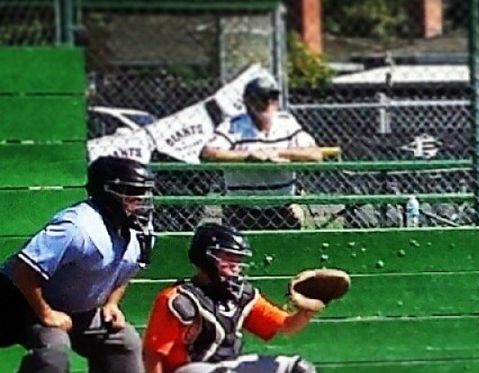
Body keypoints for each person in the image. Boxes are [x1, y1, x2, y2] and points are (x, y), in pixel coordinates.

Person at [0, 156, 155, 373]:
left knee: (124, 342)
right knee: (54, 349)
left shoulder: (139, 230)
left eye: (143, 192)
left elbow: (125, 268)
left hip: (80, 309)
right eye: (132, 192)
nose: (140, 200)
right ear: (106, 192)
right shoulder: (77, 228)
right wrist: (47, 313)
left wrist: (111, 303)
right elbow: (24, 269)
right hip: (26, 303)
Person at [142, 223, 318, 373]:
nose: (235, 265)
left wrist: (307, 311)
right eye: (228, 257)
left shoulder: (241, 295)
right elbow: (152, 355)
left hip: (226, 366)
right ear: (205, 257)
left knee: (299, 369)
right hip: (187, 369)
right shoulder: (178, 299)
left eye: (238, 259)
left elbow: (286, 326)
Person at [201, 75, 322, 230]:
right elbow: (209, 152)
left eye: (273, 97)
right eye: (261, 98)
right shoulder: (233, 125)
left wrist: (276, 154)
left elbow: (314, 154)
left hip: (283, 208)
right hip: (241, 210)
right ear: (248, 102)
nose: (268, 102)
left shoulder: (286, 122)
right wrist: (249, 156)